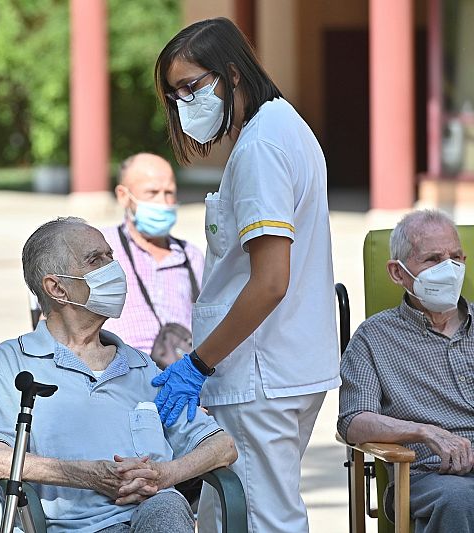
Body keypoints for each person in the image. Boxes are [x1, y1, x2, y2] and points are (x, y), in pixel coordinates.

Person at [151, 17, 340, 532]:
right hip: (277, 369)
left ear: (232, 75)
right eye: (175, 94)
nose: (184, 102)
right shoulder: (283, 126)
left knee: (262, 519)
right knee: (228, 515)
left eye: (192, 86)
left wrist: (199, 364)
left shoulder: (261, 147)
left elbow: (270, 280)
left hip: (259, 376)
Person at [0, 217, 237, 533]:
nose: (113, 269)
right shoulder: (14, 360)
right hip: (70, 527)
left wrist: (166, 474)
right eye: (96, 260)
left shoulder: (140, 365)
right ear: (57, 288)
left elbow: (222, 446)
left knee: (165, 504)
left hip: (155, 518)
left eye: (111, 256)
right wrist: (86, 475)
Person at [338, 210, 474, 532]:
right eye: (433, 259)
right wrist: (424, 431)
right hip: (426, 476)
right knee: (460, 499)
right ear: (397, 273)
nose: (449, 269)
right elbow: (352, 420)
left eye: (456, 258)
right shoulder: (374, 337)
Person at [102, 153, 204, 369]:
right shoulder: (102, 248)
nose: (163, 202)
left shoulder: (190, 256)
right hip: (115, 377)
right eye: (152, 193)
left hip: (177, 375)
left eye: (169, 193)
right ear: (123, 195)